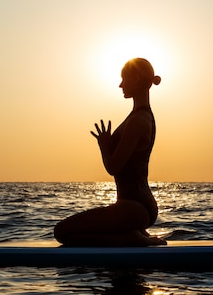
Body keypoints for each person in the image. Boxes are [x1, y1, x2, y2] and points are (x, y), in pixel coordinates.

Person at [54, 58, 166, 247]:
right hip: (134, 207)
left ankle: (130, 238)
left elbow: (114, 166)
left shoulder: (138, 120)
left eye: (124, 79)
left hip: (135, 208)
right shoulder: (140, 116)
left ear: (137, 79)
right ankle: (132, 233)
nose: (120, 85)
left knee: (62, 232)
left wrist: (104, 145)